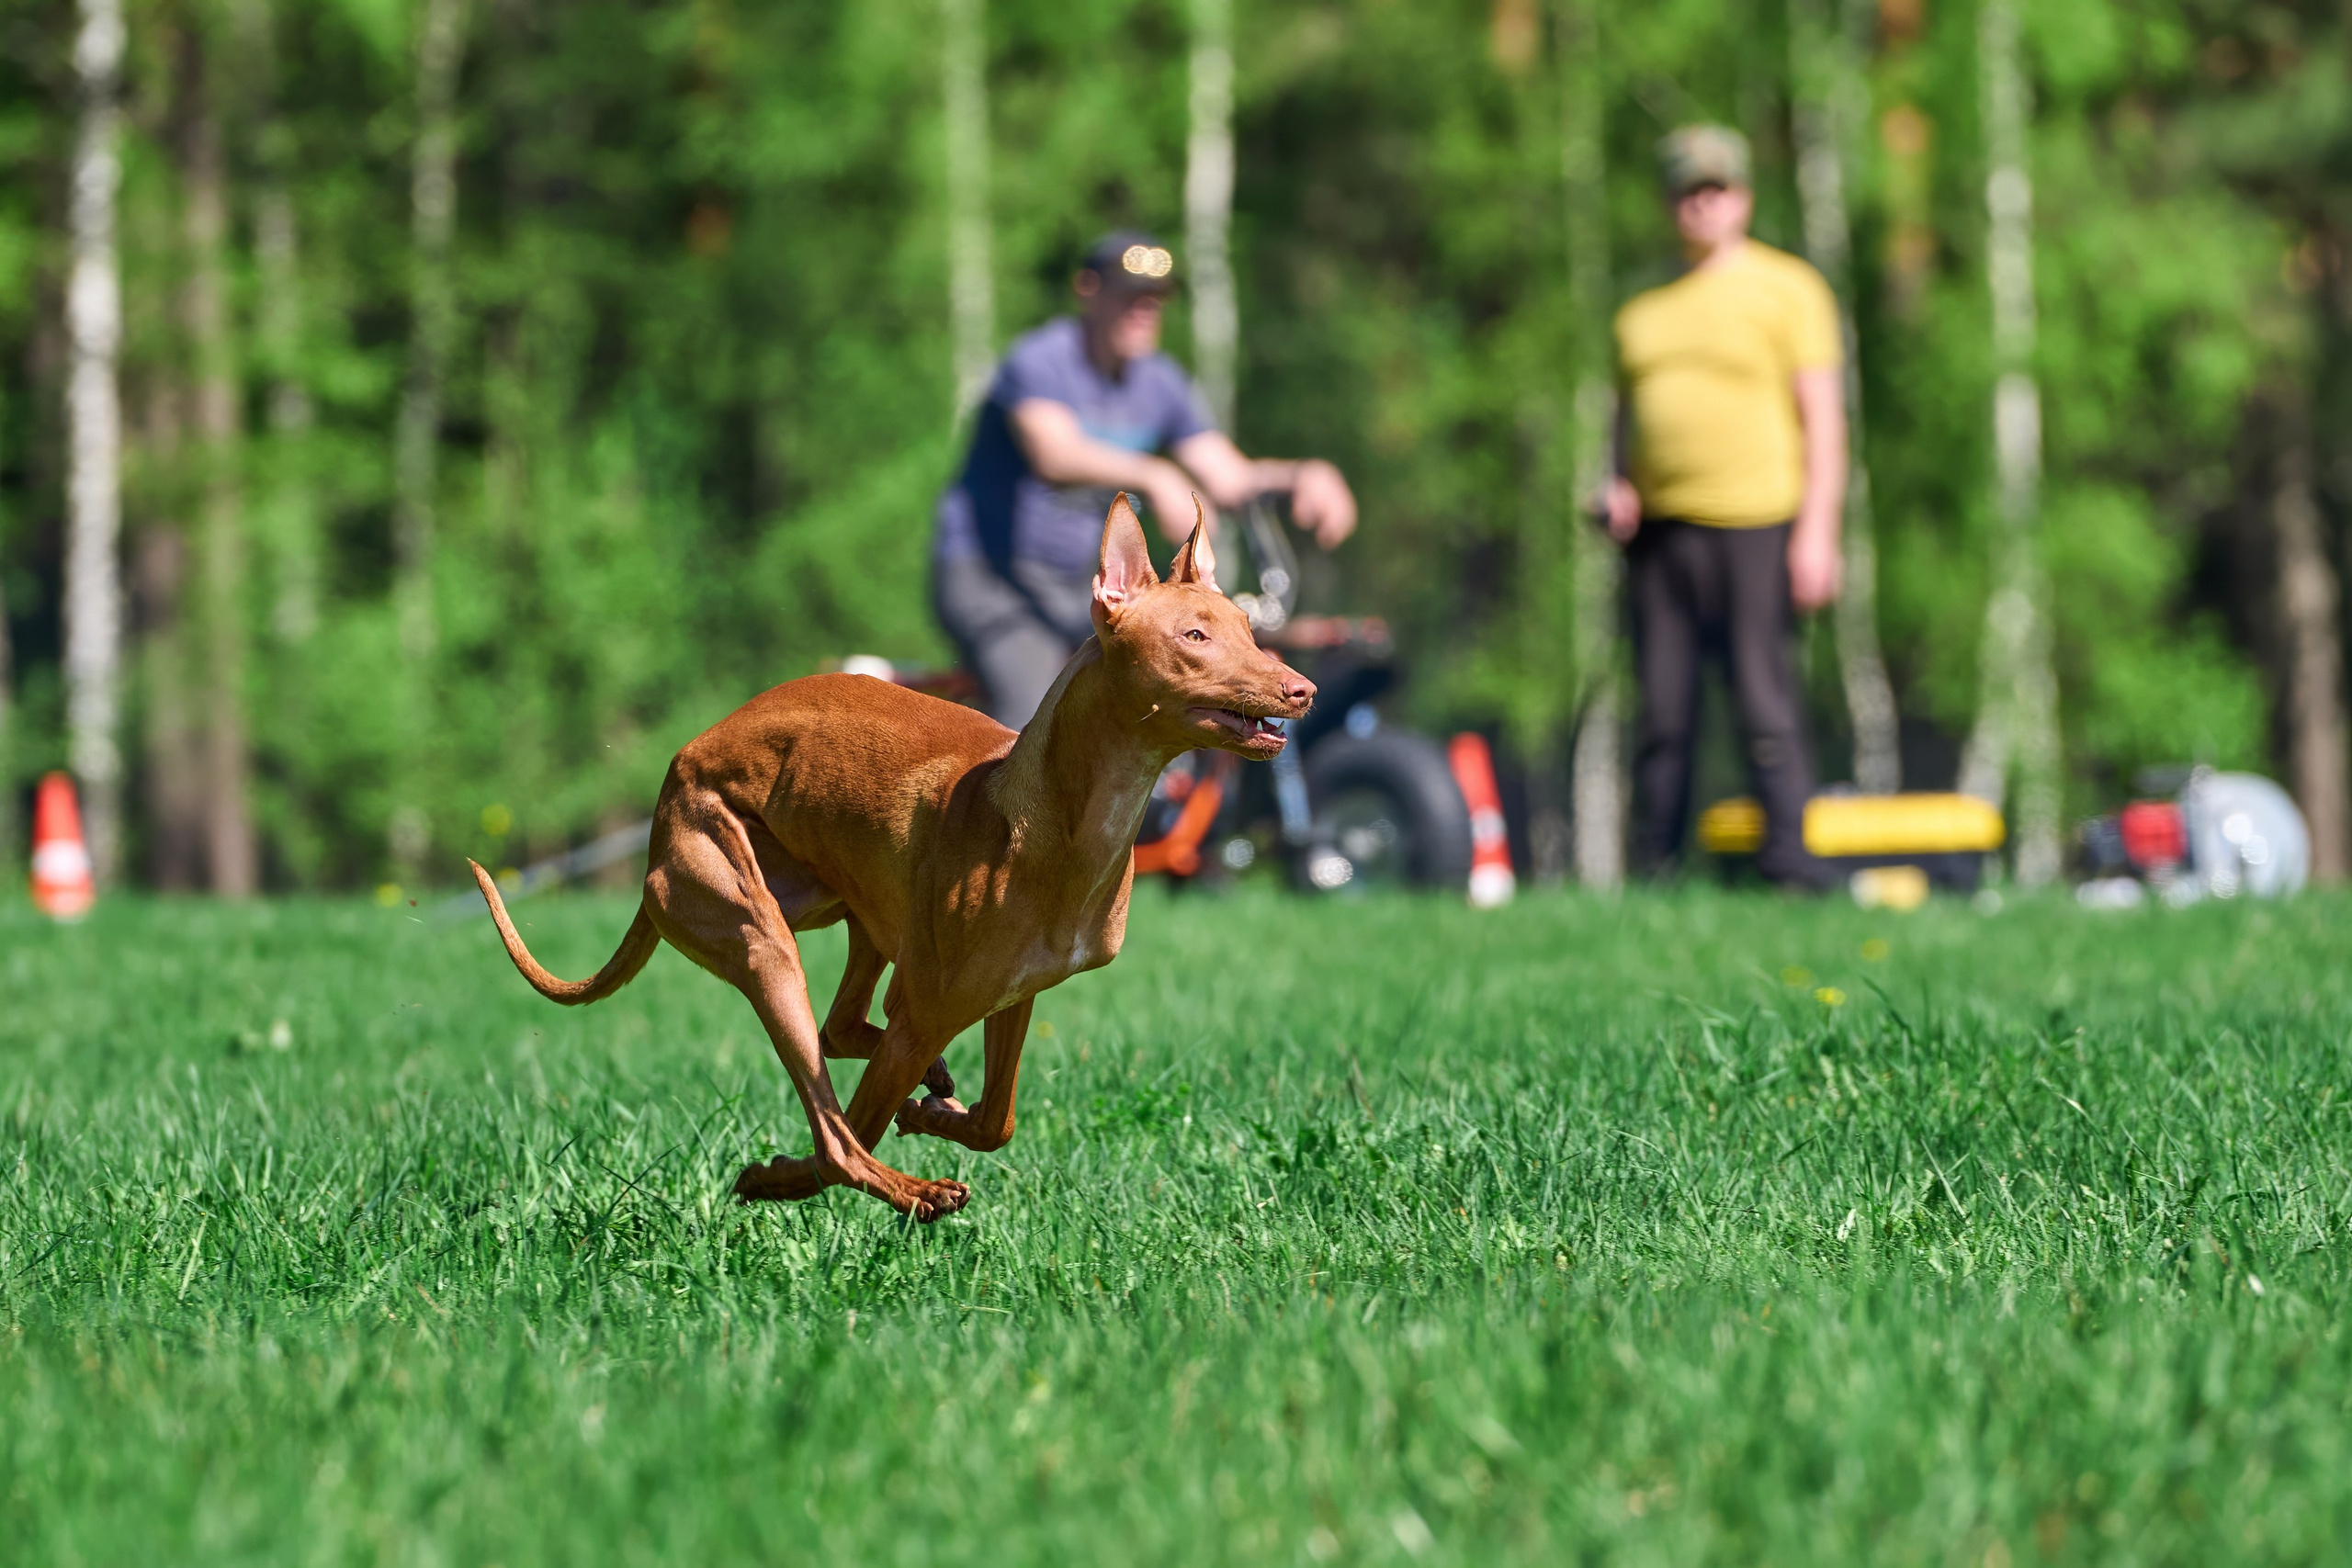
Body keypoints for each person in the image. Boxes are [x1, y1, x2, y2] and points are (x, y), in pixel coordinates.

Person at [933, 231, 1358, 728]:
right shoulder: (1042, 360)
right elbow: (1053, 452)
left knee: (1157, 695)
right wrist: (1155, 475)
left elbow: (1228, 475)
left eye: (1155, 300)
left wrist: (1301, 475)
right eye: (1129, 295)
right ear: (1087, 289)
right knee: (1036, 717)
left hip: (1077, 588)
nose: (1144, 310)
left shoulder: (1160, 383)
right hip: (991, 582)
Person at [1601, 125, 1847, 888]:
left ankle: (1791, 866)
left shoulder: (1790, 288)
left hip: (1758, 523)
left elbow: (1824, 421)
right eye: (1685, 192)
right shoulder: (1641, 309)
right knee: (1664, 713)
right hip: (1662, 536)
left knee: (1763, 701)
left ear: (1741, 198)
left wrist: (1818, 534)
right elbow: (1624, 425)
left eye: (1714, 189)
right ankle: (1656, 872)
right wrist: (1618, 486)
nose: (1700, 205)